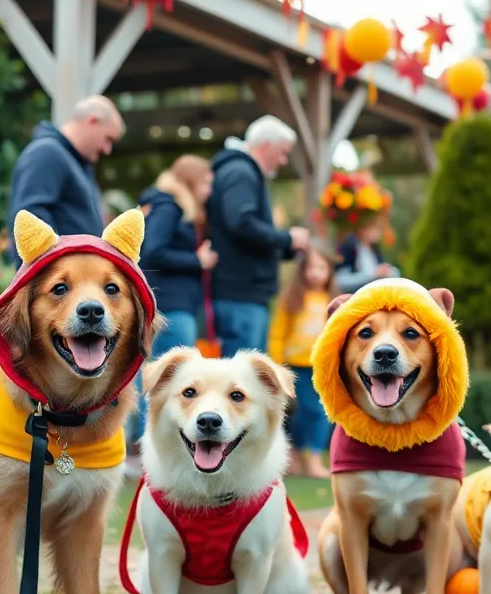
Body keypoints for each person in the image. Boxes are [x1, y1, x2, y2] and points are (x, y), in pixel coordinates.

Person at [130, 156, 217, 447]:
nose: (209, 189)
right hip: (170, 306)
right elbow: (153, 252)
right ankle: (151, 444)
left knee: (162, 377)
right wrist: (197, 260)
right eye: (206, 182)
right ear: (191, 181)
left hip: (175, 304)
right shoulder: (169, 207)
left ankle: (152, 443)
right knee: (165, 379)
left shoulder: (168, 206)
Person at [206, 115, 310, 354]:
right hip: (240, 294)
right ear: (265, 145)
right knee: (241, 375)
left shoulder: (239, 171)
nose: (283, 161)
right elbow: (241, 223)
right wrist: (288, 238)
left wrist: (286, 247)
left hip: (242, 293)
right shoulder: (241, 172)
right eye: (282, 152)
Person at [7, 96, 125, 262]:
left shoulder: (73, 160)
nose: (107, 150)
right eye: (108, 139)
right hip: (58, 283)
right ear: (92, 121)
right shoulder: (47, 153)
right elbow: (30, 221)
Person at [268, 250, 338, 478]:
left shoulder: (333, 301)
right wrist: (277, 364)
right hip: (295, 366)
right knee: (299, 413)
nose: (316, 274)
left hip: (322, 366)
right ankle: (296, 454)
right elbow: (278, 333)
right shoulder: (291, 299)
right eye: (311, 268)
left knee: (320, 412)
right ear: (302, 271)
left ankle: (315, 456)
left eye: (321, 268)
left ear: (329, 272)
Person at [334, 213, 398, 294]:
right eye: (374, 228)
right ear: (362, 228)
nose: (378, 232)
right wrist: (373, 274)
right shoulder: (349, 247)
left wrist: (388, 271)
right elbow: (340, 281)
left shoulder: (375, 248)